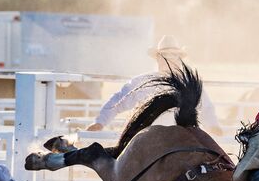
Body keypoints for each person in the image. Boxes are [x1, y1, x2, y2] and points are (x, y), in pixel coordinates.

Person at [88, 34, 219, 133]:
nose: (169, 61)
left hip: (179, 140)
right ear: (157, 59)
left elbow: (207, 109)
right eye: (165, 57)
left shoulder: (189, 85)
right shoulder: (143, 82)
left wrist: (213, 126)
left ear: (180, 60)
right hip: (148, 139)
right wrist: (100, 122)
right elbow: (117, 102)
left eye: (173, 56)